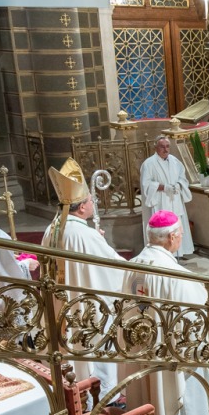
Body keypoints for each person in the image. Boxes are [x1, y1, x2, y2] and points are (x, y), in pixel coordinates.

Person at [122, 211, 209, 415]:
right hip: (177, 359)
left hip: (147, 349)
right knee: (186, 398)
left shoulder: (135, 266)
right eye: (180, 234)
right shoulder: (177, 276)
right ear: (171, 237)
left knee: (156, 393)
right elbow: (198, 325)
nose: (181, 237)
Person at [43, 158, 127, 399]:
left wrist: (95, 239)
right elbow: (113, 267)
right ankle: (104, 396)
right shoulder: (84, 234)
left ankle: (75, 393)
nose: (93, 203)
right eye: (91, 200)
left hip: (61, 304)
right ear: (81, 208)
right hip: (87, 306)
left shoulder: (54, 227)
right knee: (95, 345)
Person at [140, 135, 193, 258]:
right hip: (160, 202)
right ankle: (163, 254)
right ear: (156, 147)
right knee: (163, 229)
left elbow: (183, 178)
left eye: (167, 146)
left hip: (175, 199)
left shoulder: (175, 161)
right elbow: (146, 185)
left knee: (176, 226)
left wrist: (179, 185)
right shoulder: (149, 164)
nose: (165, 149)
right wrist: (163, 187)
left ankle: (178, 253)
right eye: (162, 147)